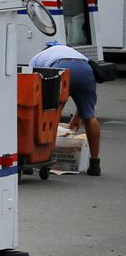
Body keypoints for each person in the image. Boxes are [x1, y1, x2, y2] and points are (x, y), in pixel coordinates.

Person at [30, 41, 101, 176]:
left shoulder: (37, 58)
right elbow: (85, 102)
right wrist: (78, 117)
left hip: (59, 68)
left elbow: (31, 85)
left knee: (51, 114)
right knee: (90, 116)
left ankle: (43, 158)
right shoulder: (73, 52)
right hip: (85, 69)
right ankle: (95, 164)